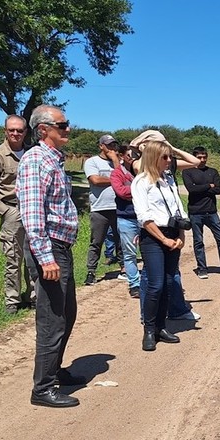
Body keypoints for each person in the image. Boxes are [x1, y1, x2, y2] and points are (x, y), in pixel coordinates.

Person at [17, 105, 83, 408]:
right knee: (52, 319)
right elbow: (32, 214)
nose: (68, 129)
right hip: (49, 247)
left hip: (60, 247)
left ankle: (54, 370)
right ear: (43, 130)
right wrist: (46, 258)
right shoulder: (36, 160)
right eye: (62, 125)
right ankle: (42, 389)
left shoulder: (53, 159)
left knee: (67, 313)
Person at [131, 140, 187, 351]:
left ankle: (161, 327)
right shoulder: (141, 182)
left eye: (170, 156)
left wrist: (181, 235)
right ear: (153, 157)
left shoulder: (169, 179)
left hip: (173, 234)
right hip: (153, 237)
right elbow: (144, 217)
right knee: (156, 285)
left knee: (169, 283)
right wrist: (164, 239)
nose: (169, 160)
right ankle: (149, 329)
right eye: (165, 157)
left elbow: (178, 209)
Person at [0, 114, 36, 314]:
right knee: (13, 258)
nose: (15, 133)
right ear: (5, 131)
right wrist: (5, 211)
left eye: (19, 130)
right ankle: (12, 300)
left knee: (34, 255)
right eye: (12, 130)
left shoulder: (32, 153)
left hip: (33, 210)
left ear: (25, 132)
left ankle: (34, 296)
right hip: (12, 210)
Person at [182, 147, 220, 279]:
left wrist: (201, 188)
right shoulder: (187, 172)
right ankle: (202, 268)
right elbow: (191, 189)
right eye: (199, 157)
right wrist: (209, 186)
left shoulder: (212, 171)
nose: (202, 160)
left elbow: (218, 190)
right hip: (195, 212)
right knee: (198, 241)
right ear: (194, 158)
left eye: (204, 157)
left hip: (212, 212)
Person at [83, 134, 122, 285]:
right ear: (101, 146)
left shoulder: (118, 162)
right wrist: (115, 180)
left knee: (121, 240)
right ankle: (91, 272)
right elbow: (95, 180)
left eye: (114, 145)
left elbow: (124, 179)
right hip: (100, 208)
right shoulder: (92, 161)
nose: (112, 147)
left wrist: (116, 161)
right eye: (109, 145)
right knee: (96, 242)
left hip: (119, 207)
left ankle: (124, 268)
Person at [109, 143, 141, 299]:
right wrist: (141, 189)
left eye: (136, 155)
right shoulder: (116, 174)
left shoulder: (144, 171)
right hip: (126, 218)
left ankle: (151, 281)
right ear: (121, 156)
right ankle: (134, 284)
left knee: (150, 252)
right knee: (129, 254)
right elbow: (121, 192)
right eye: (130, 155)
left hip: (146, 218)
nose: (133, 158)